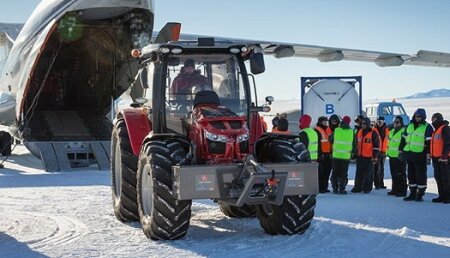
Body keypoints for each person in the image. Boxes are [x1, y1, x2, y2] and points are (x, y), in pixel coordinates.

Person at [402, 108, 434, 202]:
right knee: (411, 175)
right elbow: (403, 139)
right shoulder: (409, 125)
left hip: (420, 155)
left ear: (423, 117)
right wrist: (401, 151)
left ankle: (420, 194)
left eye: (419, 116)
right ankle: (412, 193)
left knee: (420, 175)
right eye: (416, 116)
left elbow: (429, 143)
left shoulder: (427, 127)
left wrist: (428, 155)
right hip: (409, 154)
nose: (417, 118)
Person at [351, 117, 380, 193]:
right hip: (360, 156)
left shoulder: (373, 133)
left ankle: (367, 188)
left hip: (369, 157)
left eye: (364, 124)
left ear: (368, 124)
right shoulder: (359, 131)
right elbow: (356, 144)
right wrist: (355, 153)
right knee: (359, 173)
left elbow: (376, 146)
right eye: (362, 123)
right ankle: (357, 187)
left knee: (368, 174)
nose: (363, 125)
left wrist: (374, 156)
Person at [329, 115, 355, 194]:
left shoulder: (336, 130)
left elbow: (330, 140)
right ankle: (342, 189)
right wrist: (352, 153)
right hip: (345, 157)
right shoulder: (351, 132)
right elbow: (354, 144)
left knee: (335, 172)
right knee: (343, 173)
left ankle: (334, 188)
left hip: (336, 155)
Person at [430, 113, 450, 204]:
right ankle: (441, 196)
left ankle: (448, 196)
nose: (432, 120)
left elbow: (447, 143)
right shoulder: (436, 130)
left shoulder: (445, 128)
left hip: (444, 158)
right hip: (436, 158)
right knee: (438, 177)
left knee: (445, 178)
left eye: (433, 118)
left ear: (438, 119)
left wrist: (444, 156)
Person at [386, 116, 407, 197]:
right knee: (394, 174)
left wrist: (403, 153)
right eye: (394, 122)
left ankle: (402, 191)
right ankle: (394, 189)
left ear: (401, 123)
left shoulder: (403, 131)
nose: (395, 124)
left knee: (400, 174)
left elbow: (405, 143)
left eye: (397, 122)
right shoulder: (392, 131)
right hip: (392, 156)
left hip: (399, 157)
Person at [315, 116, 333, 193]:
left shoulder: (328, 129)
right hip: (321, 155)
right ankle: (320, 188)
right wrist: (319, 154)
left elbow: (331, 141)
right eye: (324, 122)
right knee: (321, 173)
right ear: (320, 122)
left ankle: (325, 187)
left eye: (326, 122)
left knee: (327, 172)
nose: (326, 123)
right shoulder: (317, 130)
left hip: (328, 154)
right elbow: (317, 144)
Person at [373, 116, 389, 189]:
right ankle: (376, 184)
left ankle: (381, 183)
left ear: (383, 122)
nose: (379, 123)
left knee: (381, 168)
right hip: (376, 151)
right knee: (376, 168)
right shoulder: (374, 129)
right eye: (378, 121)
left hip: (383, 151)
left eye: (381, 122)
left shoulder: (386, 129)